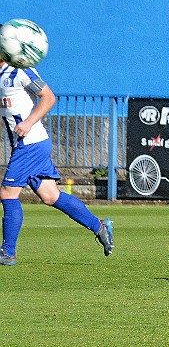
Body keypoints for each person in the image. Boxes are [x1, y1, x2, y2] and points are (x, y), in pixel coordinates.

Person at [0, 56, 113, 266]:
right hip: (29, 144)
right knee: (50, 196)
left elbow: (49, 98)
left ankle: (7, 252)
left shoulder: (20, 71)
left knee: (8, 192)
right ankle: (99, 226)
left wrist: (28, 122)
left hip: (31, 143)